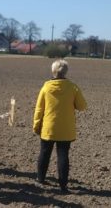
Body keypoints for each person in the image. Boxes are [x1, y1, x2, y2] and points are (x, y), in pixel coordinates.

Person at [33, 59, 87, 193]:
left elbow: (39, 109)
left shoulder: (46, 87)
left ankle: (40, 179)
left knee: (44, 153)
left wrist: (36, 125)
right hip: (66, 129)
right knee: (63, 156)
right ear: (66, 71)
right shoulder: (73, 87)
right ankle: (63, 185)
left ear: (53, 71)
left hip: (48, 128)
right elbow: (82, 106)